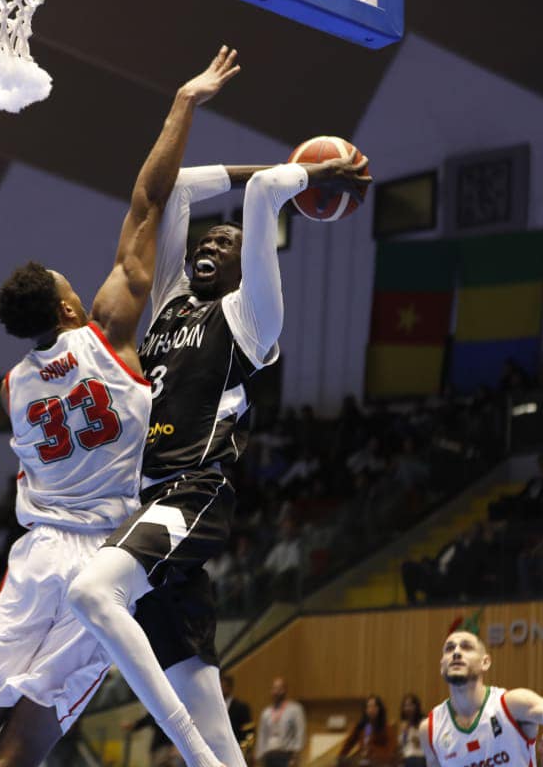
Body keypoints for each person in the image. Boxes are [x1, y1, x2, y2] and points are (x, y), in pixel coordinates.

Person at [0, 47, 241, 767]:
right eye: (69, 286)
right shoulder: (109, 333)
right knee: (25, 748)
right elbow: (149, 201)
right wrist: (183, 103)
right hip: (104, 559)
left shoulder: (11, 386)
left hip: (33, 557)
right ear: (66, 304)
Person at [68, 120, 371, 767]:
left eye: (227, 240)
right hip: (143, 504)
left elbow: (264, 194)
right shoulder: (172, 303)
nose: (213, 240)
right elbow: (174, 190)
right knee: (204, 703)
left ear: (245, 264)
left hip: (193, 492)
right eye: (210, 234)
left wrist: (305, 176)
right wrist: (264, 170)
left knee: (92, 592)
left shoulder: (250, 317)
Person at [420, 629, 543, 767]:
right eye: (449, 648)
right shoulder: (430, 728)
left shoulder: (511, 705)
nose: (456, 652)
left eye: (466, 647)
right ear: (441, 665)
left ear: (485, 662)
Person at [254, 678, 306, 767]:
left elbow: (300, 733)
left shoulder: (295, 709)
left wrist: (295, 756)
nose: (276, 692)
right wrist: (259, 756)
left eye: (279, 689)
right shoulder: (266, 712)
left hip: (287, 755)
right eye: (274, 689)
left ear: (285, 690)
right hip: (269, 755)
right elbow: (262, 736)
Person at [338, 695, 394, 766]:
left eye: (374, 706)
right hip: (363, 760)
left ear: (380, 709)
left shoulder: (386, 727)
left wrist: (373, 752)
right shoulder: (361, 725)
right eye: (369, 707)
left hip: (379, 762)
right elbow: (349, 742)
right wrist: (340, 756)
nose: (371, 709)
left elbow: (390, 750)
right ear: (365, 709)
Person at [221, 674, 253, 754]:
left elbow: (249, 730)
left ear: (229, 687)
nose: (220, 688)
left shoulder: (241, 707)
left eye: (223, 685)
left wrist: (245, 748)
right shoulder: (216, 708)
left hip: (238, 749)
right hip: (221, 750)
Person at [398, 694, 424, 767]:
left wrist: (420, 741)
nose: (408, 708)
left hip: (419, 755)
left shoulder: (423, 723)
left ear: (416, 706)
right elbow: (401, 745)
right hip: (406, 756)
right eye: (406, 706)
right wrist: (404, 732)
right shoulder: (403, 724)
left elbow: (428, 744)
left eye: (410, 705)